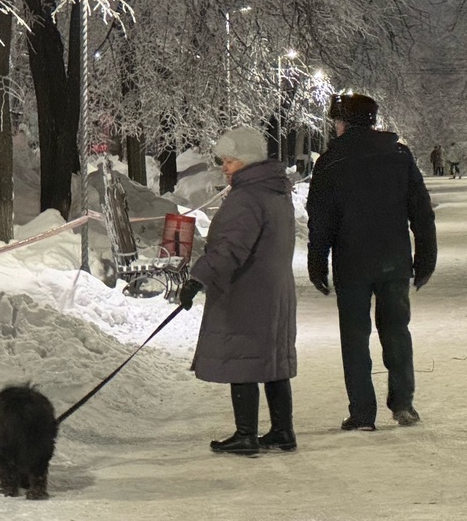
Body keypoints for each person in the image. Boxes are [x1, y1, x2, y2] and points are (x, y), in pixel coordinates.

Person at [306, 92, 437, 431]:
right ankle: (404, 403)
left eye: (336, 121)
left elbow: (320, 221)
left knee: (354, 337)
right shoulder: (399, 155)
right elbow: (421, 212)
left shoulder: (330, 162)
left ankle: (363, 413)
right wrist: (425, 257)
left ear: (342, 123)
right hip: (393, 260)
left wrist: (317, 262)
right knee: (396, 331)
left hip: (352, 264)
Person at [176, 126, 298, 456]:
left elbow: (229, 249)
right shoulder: (275, 191)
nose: (224, 168)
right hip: (274, 288)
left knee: (243, 358)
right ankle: (282, 431)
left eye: (229, 161)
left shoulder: (247, 198)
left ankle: (246, 435)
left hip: (247, 291)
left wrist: (197, 279)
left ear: (245, 161)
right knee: (271, 361)